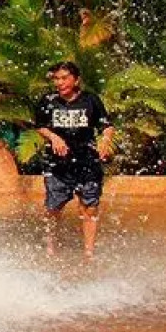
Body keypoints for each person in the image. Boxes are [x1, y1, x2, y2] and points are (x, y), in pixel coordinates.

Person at [33, 61, 115, 260]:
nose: (59, 83)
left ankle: (88, 253)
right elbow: (40, 126)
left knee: (90, 207)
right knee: (53, 208)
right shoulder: (48, 101)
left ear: (76, 80)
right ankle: (51, 251)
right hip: (58, 165)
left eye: (64, 78)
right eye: (56, 79)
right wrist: (54, 137)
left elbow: (106, 125)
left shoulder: (91, 100)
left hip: (87, 163)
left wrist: (105, 140)